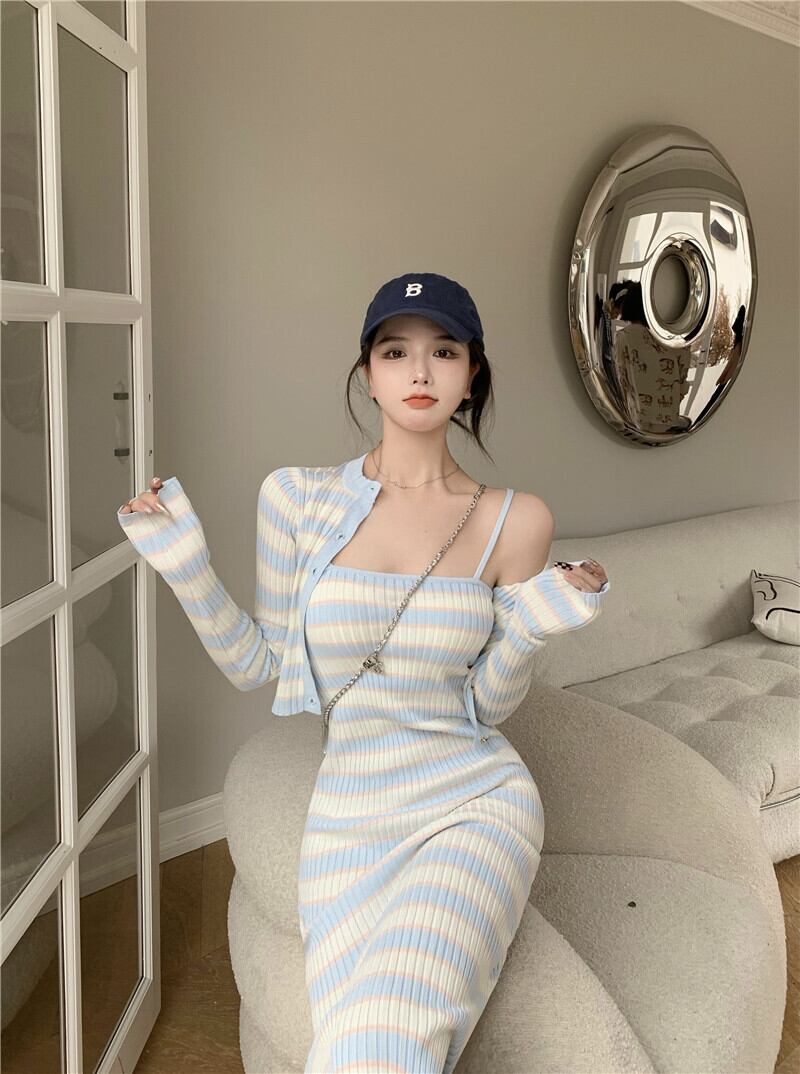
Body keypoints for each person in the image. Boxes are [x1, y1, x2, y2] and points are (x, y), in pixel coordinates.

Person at [118, 271, 610, 1073]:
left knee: (387, 1034)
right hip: (348, 819)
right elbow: (257, 664)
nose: (419, 371)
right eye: (395, 351)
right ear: (368, 373)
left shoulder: (516, 519)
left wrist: (531, 627)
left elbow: (487, 707)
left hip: (474, 803)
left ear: (472, 374)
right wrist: (185, 565)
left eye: (443, 351)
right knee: (353, 1046)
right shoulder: (296, 499)